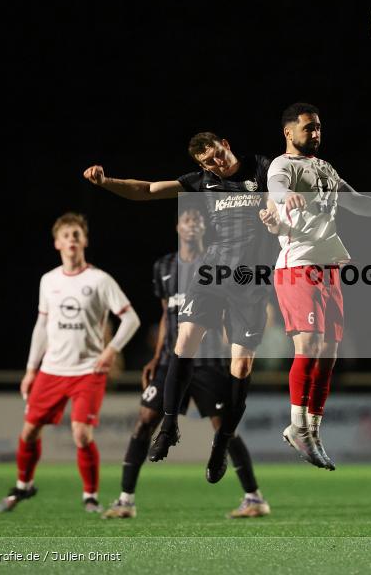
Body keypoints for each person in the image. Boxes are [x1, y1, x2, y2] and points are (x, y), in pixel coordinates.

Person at [83, 132, 274, 483]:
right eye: (206, 163)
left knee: (242, 366)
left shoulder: (260, 169)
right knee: (182, 342)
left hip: (250, 281)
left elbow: (291, 188)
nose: (215, 164)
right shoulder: (202, 182)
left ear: (226, 143)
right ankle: (169, 425)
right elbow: (148, 189)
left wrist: (282, 213)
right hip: (213, 272)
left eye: (216, 155)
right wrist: (106, 182)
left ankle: (221, 445)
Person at [260, 102, 371, 470]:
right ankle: (297, 426)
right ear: (289, 132)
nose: (316, 133)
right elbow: (275, 189)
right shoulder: (282, 165)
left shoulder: (325, 168)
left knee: (329, 354)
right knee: (310, 345)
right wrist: (286, 198)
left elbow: (355, 202)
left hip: (329, 269)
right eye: (308, 128)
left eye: (318, 127)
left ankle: (312, 431)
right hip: (297, 266)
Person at [101, 207, 270, 519]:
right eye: (186, 219)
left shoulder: (220, 264)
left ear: (205, 228)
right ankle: (125, 500)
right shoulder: (164, 267)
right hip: (171, 361)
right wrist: (155, 357)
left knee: (225, 430)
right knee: (144, 421)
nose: (192, 224)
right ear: (177, 225)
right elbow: (168, 313)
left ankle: (254, 497)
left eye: (198, 220)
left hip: (208, 362)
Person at [0, 213, 141, 514]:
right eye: (66, 235)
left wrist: (110, 350)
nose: (72, 239)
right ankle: (24, 486)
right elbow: (41, 326)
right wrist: (30, 370)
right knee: (29, 432)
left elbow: (131, 319)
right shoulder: (48, 281)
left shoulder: (100, 280)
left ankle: (90, 496)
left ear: (84, 241)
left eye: (77, 234)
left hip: (88, 370)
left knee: (81, 434)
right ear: (57, 243)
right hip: (51, 370)